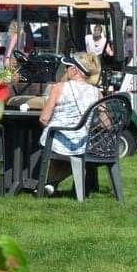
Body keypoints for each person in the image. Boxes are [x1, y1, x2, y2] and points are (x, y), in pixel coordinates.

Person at [36, 53, 103, 193]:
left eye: (67, 67)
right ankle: (50, 185)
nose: (65, 70)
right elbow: (106, 122)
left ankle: (45, 183)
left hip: (58, 140)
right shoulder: (97, 93)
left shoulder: (59, 87)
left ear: (74, 70)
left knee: (49, 136)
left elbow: (43, 118)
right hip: (83, 143)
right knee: (69, 153)